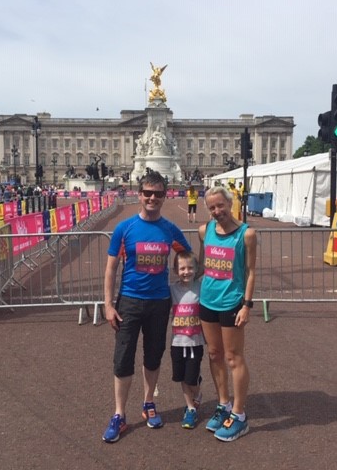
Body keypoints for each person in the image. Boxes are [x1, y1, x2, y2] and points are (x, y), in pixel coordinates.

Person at [102, 171, 192, 443]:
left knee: (153, 356)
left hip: (159, 301)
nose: (153, 198)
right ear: (139, 195)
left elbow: (186, 255)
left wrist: (183, 277)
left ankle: (148, 402)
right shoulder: (124, 228)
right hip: (129, 300)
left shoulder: (169, 229)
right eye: (148, 193)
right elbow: (111, 268)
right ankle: (119, 414)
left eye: (158, 194)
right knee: (123, 358)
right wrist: (107, 304)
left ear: (165, 196)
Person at [198, 186, 256, 442]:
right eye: (212, 207)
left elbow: (251, 271)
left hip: (232, 302)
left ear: (230, 203)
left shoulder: (247, 234)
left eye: (220, 205)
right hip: (207, 301)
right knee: (214, 354)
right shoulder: (205, 230)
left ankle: (239, 414)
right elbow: (202, 264)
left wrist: (247, 305)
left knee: (233, 357)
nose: (217, 211)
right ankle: (223, 403)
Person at [169, 251, 205, 430]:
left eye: (190, 268)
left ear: (197, 269)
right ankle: (190, 408)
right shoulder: (172, 290)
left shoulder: (200, 287)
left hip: (195, 342)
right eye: (182, 268)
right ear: (175, 270)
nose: (186, 271)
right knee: (181, 377)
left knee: (191, 379)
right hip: (177, 342)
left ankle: (197, 394)